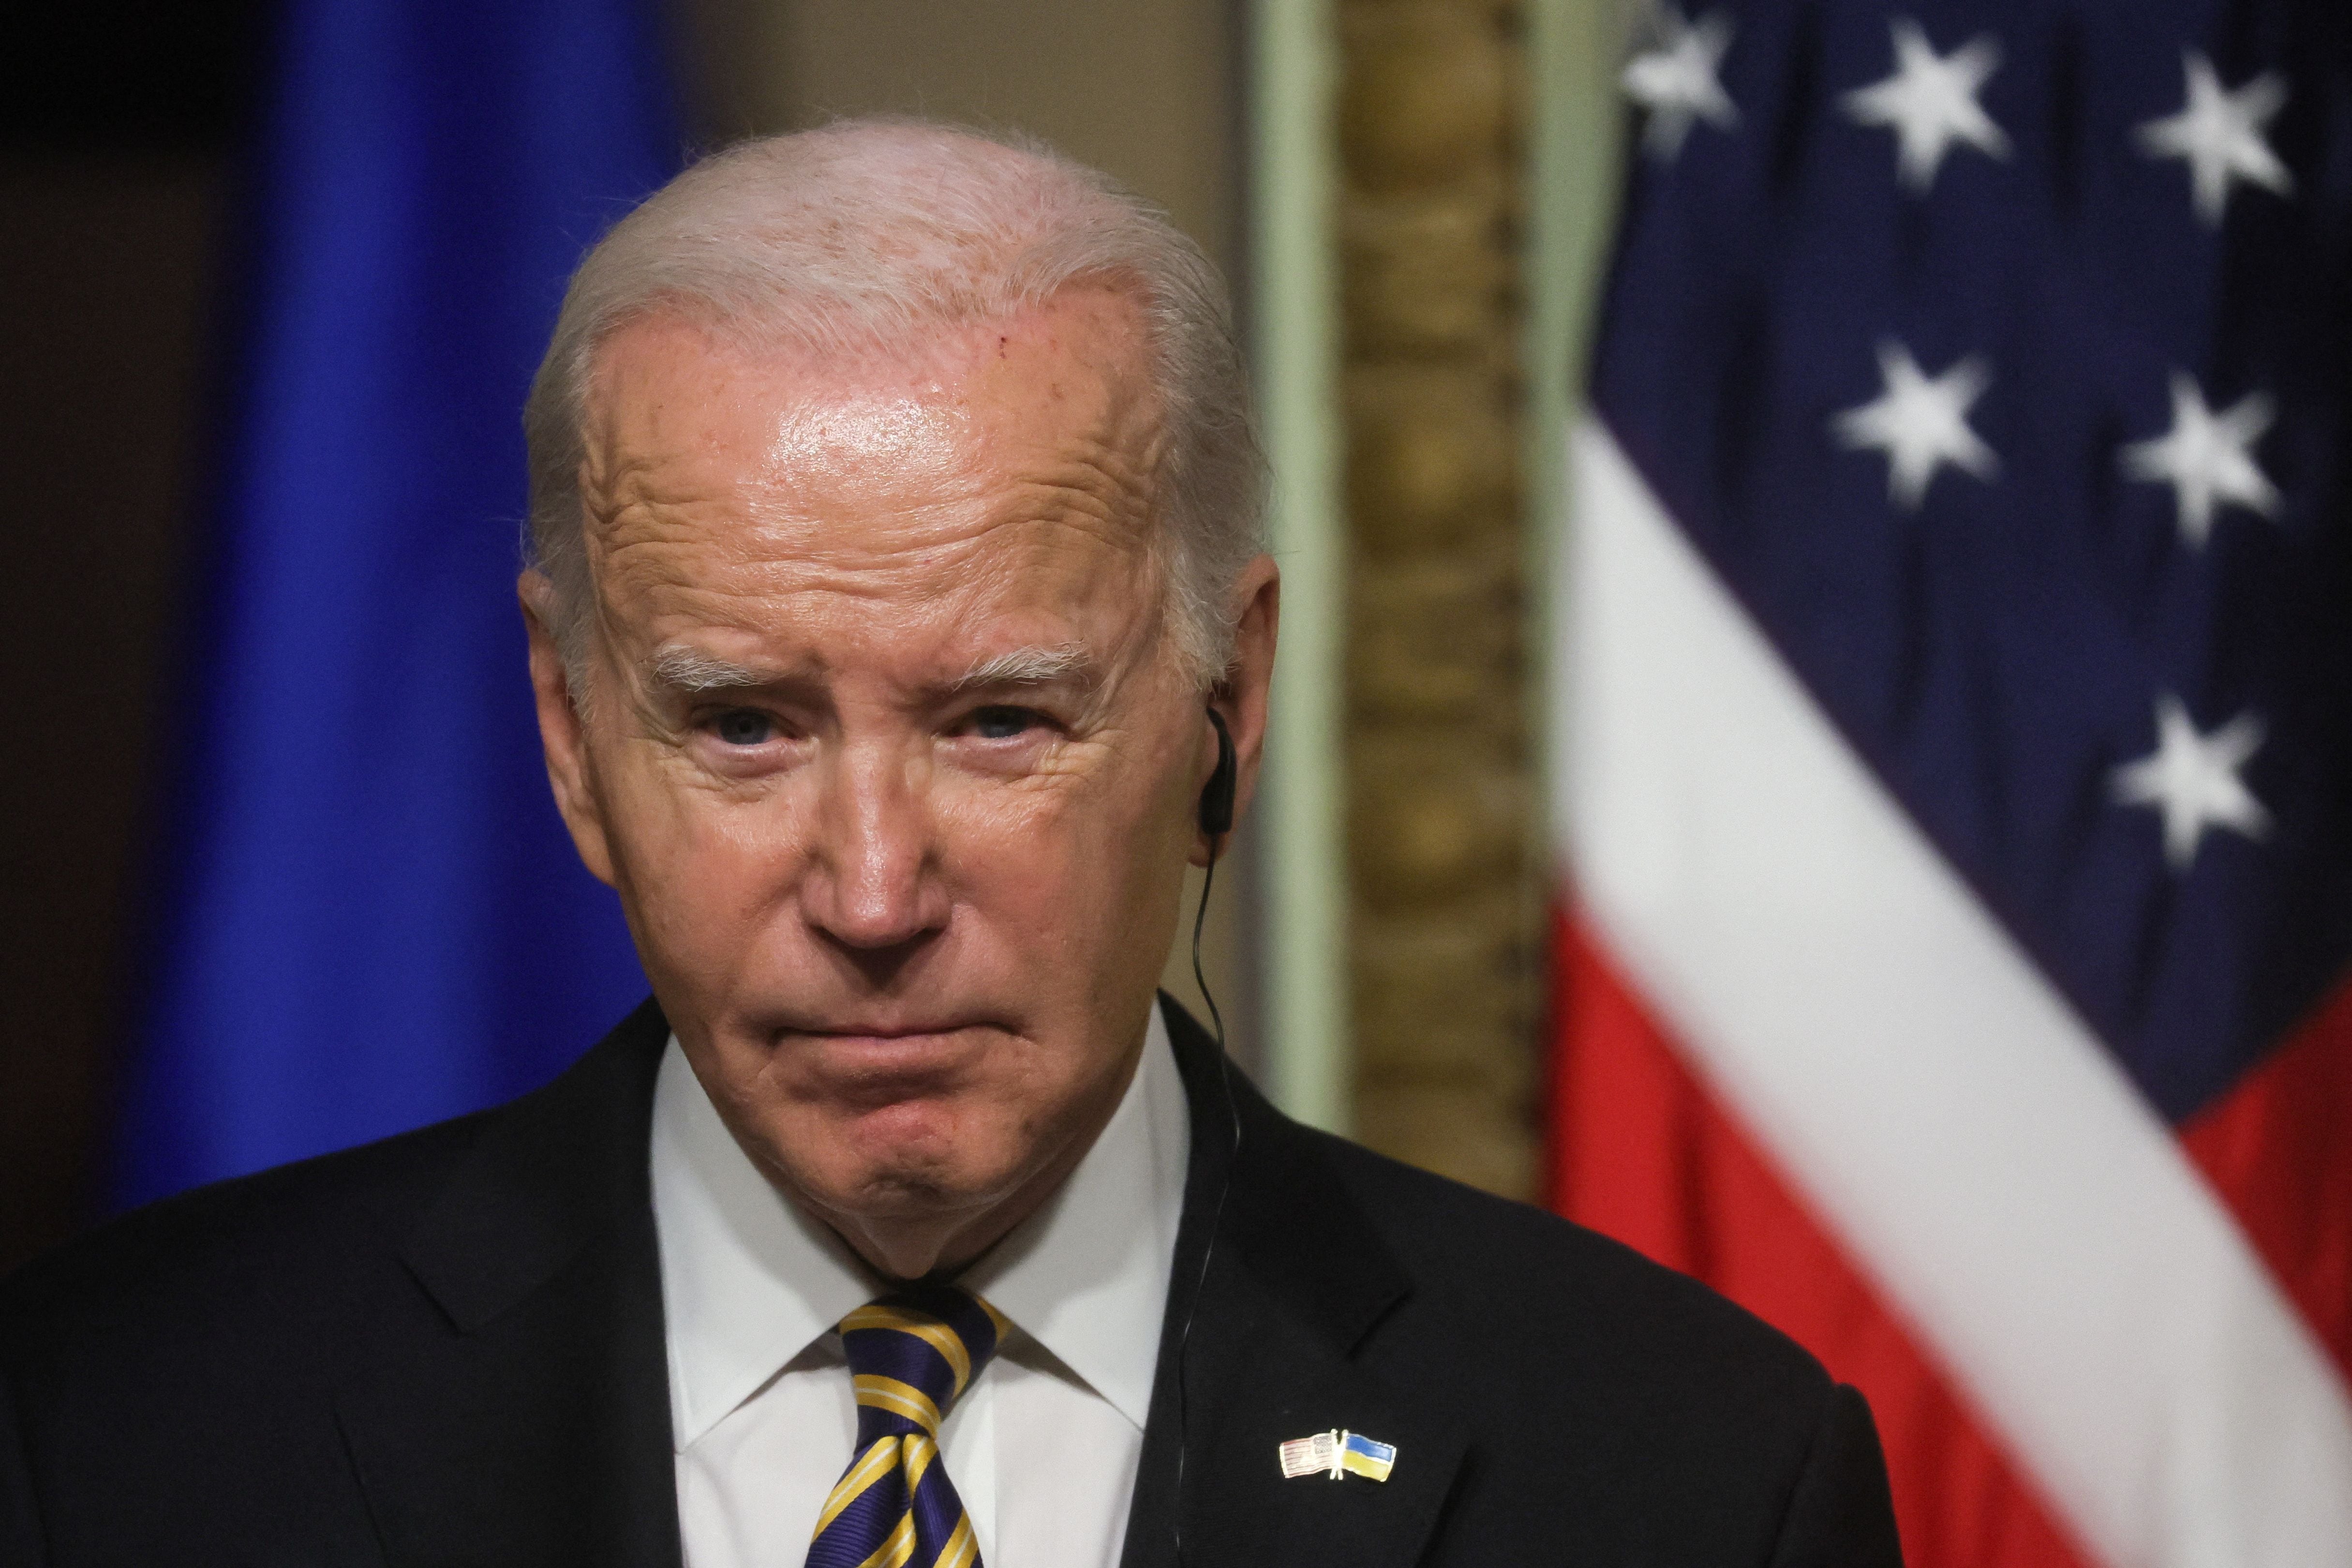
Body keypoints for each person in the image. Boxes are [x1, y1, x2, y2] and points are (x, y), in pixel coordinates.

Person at [0, 120, 1902, 1567]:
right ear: (573, 736)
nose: (875, 895)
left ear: (1221, 702)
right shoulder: (118, 1439)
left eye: (1000, 720)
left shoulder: (1682, 1477)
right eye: (742, 724)